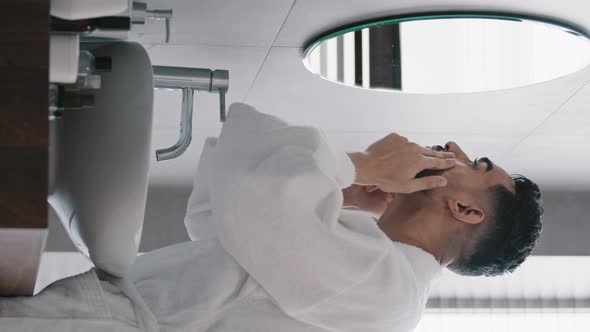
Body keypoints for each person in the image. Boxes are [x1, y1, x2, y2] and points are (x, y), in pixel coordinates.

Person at [0, 103, 543, 332]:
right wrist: (343, 187)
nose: (454, 146)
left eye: (480, 165)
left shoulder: (387, 289)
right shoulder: (377, 272)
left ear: (466, 209)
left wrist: (362, 164)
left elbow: (255, 196)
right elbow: (219, 220)